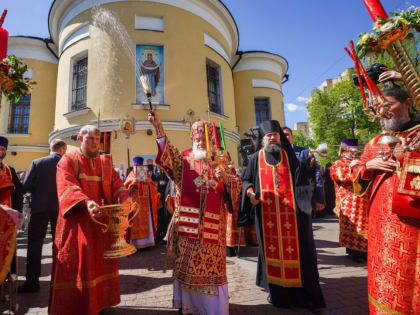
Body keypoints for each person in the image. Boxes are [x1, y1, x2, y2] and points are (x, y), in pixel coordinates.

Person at [148, 110, 241, 315]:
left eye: (204, 139)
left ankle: (213, 309)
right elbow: (166, 155)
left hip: (212, 227)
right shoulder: (184, 158)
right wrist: (158, 129)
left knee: (212, 269)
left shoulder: (222, 160)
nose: (200, 143)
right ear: (192, 138)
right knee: (186, 267)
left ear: (211, 139)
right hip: (186, 226)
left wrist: (225, 177)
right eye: (197, 139)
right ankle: (189, 306)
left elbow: (236, 187)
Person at [241, 120, 325, 312]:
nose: (273, 138)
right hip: (266, 216)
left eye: (275, 135)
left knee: (299, 254)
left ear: (280, 137)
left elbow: (302, 179)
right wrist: (250, 193)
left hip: (292, 217)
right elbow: (246, 180)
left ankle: (299, 295)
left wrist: (309, 166)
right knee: (271, 253)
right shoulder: (256, 158)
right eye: (269, 136)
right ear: (263, 139)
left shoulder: (289, 157)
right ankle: (278, 294)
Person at [49, 125, 130, 315]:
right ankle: (79, 306)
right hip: (78, 224)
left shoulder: (105, 162)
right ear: (79, 138)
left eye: (97, 138)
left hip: (102, 225)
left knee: (100, 263)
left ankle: (99, 304)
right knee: (81, 266)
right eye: (89, 138)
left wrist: (126, 198)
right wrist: (87, 203)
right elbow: (67, 186)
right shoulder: (68, 160)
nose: (94, 142)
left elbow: (117, 185)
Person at [352, 87, 419, 314]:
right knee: (383, 282)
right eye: (379, 107)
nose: (383, 111)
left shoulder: (418, 135)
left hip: (412, 227)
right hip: (381, 228)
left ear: (408, 102)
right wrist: (368, 167)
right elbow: (357, 180)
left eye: (388, 104)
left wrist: (407, 157)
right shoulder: (374, 143)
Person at [18, 139, 67, 293]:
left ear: (51, 148)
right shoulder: (67, 163)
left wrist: (37, 192)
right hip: (61, 209)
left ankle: (32, 281)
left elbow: (25, 186)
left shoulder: (37, 162)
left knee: (34, 244)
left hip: (39, 207)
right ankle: (61, 280)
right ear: (63, 149)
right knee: (60, 244)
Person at [330, 139, 368, 262]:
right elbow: (342, 178)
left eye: (356, 148)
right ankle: (355, 253)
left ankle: (364, 250)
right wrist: (352, 168)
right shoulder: (338, 163)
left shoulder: (361, 161)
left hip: (362, 198)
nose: (355, 150)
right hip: (348, 199)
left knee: (363, 223)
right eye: (352, 148)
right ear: (345, 149)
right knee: (352, 226)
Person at [282, 127, 325, 216]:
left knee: (303, 227)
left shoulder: (305, 152)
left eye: (287, 134)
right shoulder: (276, 154)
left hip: (303, 196)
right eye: (283, 135)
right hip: (283, 197)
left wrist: (319, 198)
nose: (285, 137)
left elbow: (316, 174)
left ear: (292, 137)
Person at [124, 157, 161, 249]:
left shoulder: (147, 175)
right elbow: (124, 189)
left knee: (147, 222)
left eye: (140, 166)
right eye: (137, 166)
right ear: (134, 166)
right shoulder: (131, 175)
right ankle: (135, 243)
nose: (138, 167)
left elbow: (154, 187)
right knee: (134, 221)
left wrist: (148, 183)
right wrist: (133, 183)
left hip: (146, 205)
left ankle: (147, 242)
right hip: (135, 204)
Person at [0, 136, 23, 211]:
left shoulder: (10, 170)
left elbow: (19, 189)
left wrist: (11, 187)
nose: (1, 152)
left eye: (3, 149)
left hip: (6, 210)